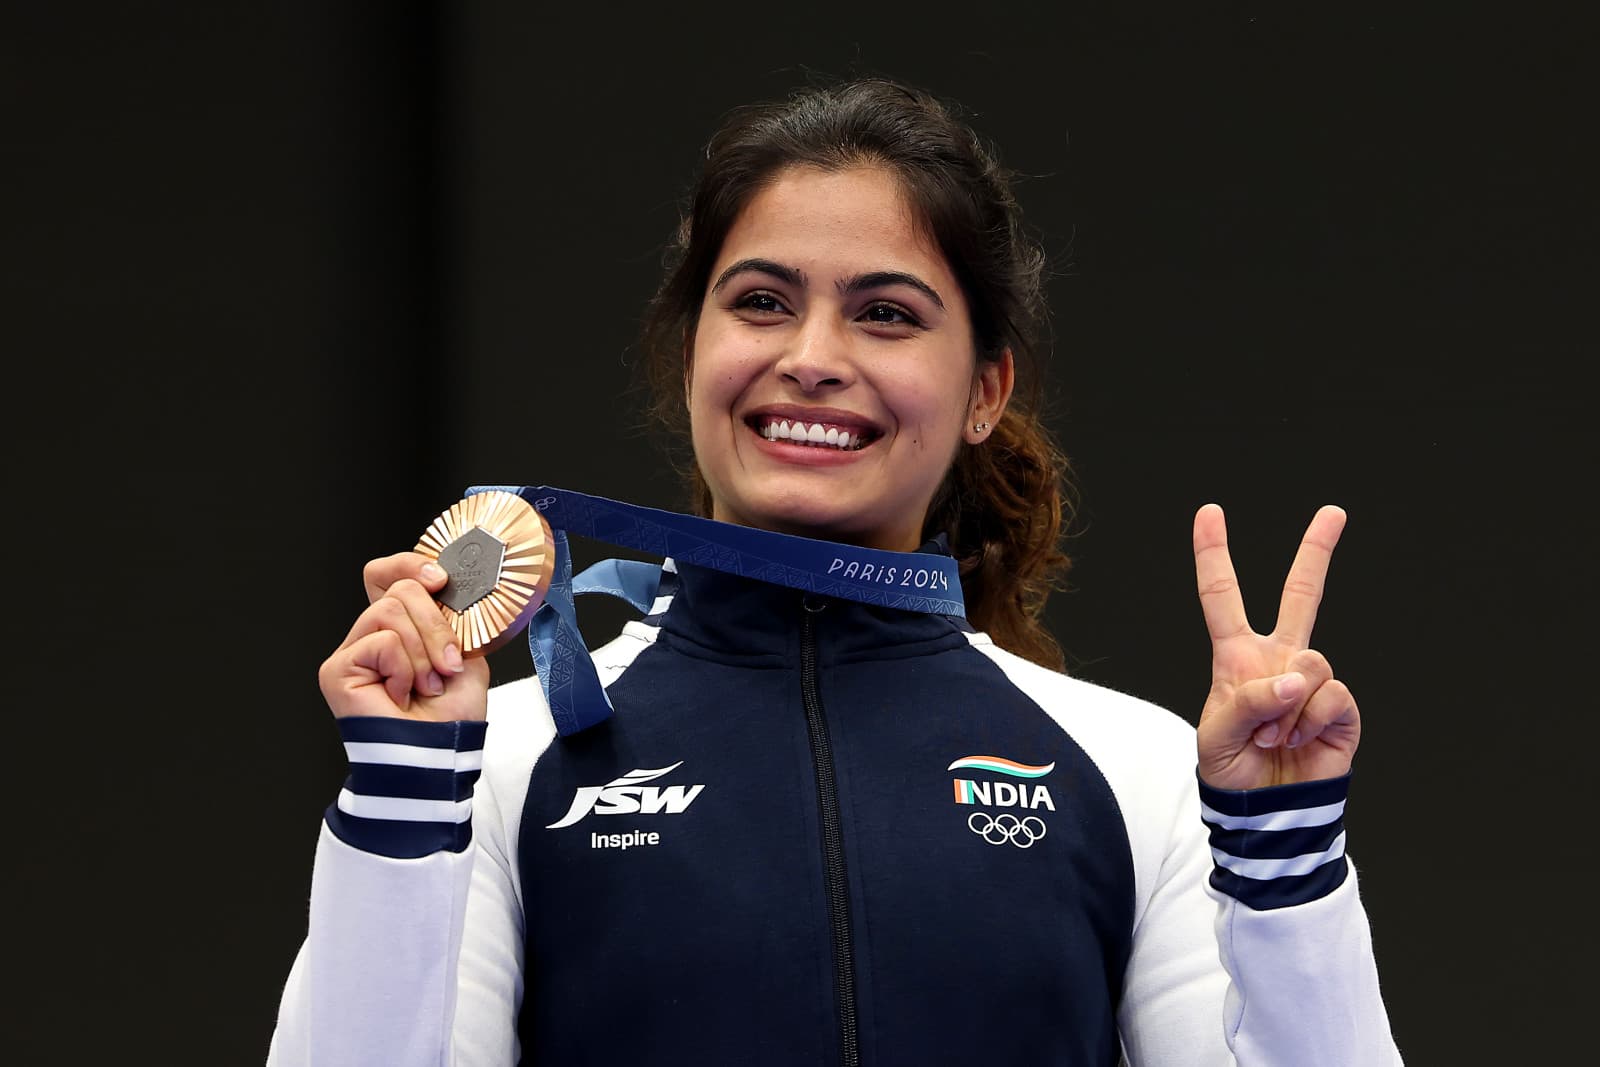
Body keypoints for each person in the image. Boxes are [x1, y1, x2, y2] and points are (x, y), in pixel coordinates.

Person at [268, 78, 1400, 1065]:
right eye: (761, 301)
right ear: (691, 351)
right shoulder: (507, 762)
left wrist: (1283, 858)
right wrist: (403, 800)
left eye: (886, 315)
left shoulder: (1139, 768)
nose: (811, 359)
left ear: (985, 392)